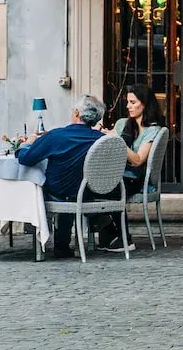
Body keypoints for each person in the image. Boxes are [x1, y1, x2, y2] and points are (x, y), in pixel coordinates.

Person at [17, 95, 113, 252]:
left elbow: (26, 159)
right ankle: (65, 243)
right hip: (90, 192)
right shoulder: (103, 140)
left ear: (76, 113)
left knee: (50, 187)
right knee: (70, 185)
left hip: (59, 192)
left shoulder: (56, 136)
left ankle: (53, 242)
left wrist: (26, 144)